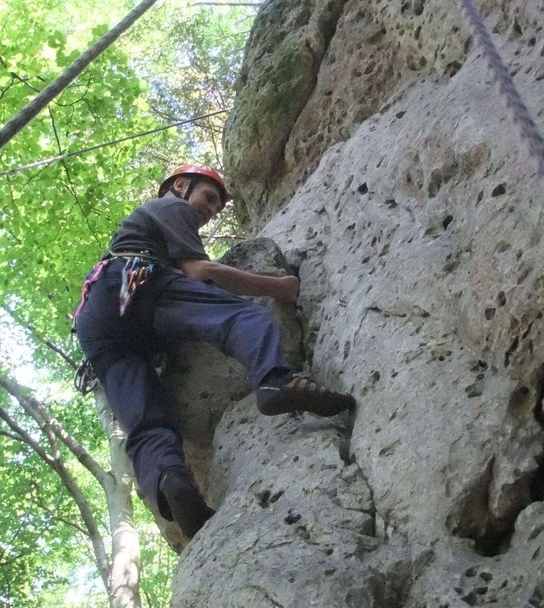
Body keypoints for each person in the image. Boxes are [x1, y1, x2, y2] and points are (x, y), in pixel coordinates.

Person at [74, 164, 355, 539]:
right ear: (180, 185)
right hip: (133, 280)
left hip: (98, 326)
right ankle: (275, 382)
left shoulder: (147, 223)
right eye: (208, 198)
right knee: (243, 316)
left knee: (144, 419)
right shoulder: (170, 207)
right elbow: (199, 271)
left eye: (216, 209)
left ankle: (171, 483)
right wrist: (278, 287)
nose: (208, 212)